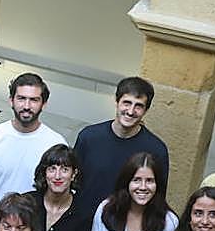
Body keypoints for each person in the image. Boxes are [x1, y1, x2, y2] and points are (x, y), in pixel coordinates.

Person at [0, 72, 66, 231]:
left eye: (34, 100)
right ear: (11, 100)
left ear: (44, 104)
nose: (26, 106)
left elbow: (61, 195)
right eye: (21, 98)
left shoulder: (55, 143)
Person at [72, 77, 169, 211]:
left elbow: (157, 199)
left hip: (125, 223)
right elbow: (72, 182)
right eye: (127, 103)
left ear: (146, 110)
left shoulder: (156, 150)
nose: (130, 111)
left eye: (138, 106)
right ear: (117, 102)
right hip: (83, 219)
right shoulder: (89, 137)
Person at [23, 144, 92, 231]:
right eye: (52, 169)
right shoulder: (27, 203)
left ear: (73, 174)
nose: (57, 176)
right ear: (44, 173)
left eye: (64, 170)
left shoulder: (83, 213)